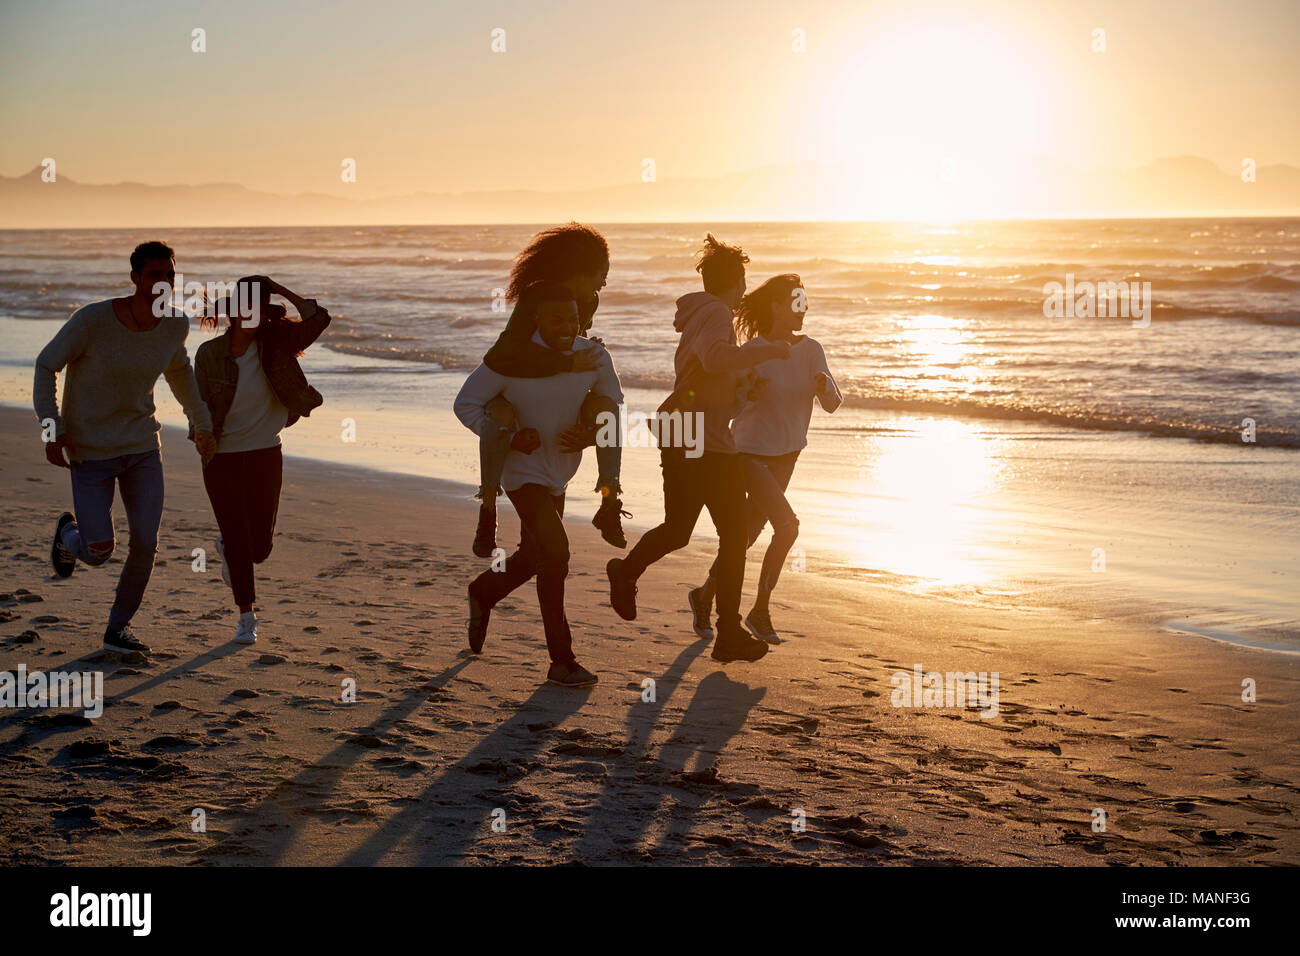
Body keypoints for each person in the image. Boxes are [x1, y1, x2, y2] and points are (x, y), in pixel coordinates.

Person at [605, 235, 791, 663]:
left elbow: (709, 376)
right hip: (698, 435)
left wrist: (744, 390)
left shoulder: (701, 313)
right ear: (737, 281)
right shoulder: (715, 312)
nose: (746, 291)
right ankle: (727, 634)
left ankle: (627, 571)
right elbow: (714, 358)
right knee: (732, 536)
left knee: (679, 529)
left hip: (686, 427)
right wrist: (765, 351)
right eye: (744, 282)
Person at [36, 240, 215, 655]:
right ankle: (68, 534)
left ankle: (118, 628)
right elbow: (47, 364)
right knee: (99, 552)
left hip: (141, 447)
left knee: (146, 542)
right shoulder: (92, 321)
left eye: (170, 275)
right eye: (155, 275)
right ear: (135, 277)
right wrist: (51, 429)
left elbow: (180, 373)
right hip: (91, 449)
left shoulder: (174, 325)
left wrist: (201, 423)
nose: (164, 283)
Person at [454, 280, 623, 688]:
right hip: (520, 470)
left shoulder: (592, 355)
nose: (567, 325)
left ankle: (484, 592)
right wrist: (509, 439)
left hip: (560, 469)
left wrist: (590, 432)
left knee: (533, 555)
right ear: (535, 318)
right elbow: (465, 404)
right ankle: (561, 661)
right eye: (556, 318)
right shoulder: (512, 358)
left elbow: (611, 406)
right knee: (556, 553)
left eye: (573, 317)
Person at [688, 274, 841, 644]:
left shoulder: (811, 350)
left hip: (788, 455)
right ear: (775, 307)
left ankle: (704, 595)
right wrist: (747, 393)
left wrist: (824, 386)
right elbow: (731, 406)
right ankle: (759, 611)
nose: (803, 310)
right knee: (787, 526)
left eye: (805, 302)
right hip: (749, 454)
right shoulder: (752, 351)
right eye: (795, 302)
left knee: (745, 535)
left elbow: (833, 404)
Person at [471, 223, 629, 558]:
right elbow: (503, 355)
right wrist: (568, 365)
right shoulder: (536, 297)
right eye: (602, 273)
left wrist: (587, 351)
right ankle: (487, 509)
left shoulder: (590, 301)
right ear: (581, 271)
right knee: (498, 416)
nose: (604, 282)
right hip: (519, 387)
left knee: (608, 411)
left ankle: (609, 501)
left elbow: (571, 343)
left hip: (557, 398)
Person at [194, 276, 331, 645]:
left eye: (262, 310)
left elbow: (319, 317)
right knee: (240, 543)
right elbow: (198, 406)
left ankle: (226, 548)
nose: (255, 317)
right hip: (220, 458)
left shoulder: (276, 347)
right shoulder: (209, 354)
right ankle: (246, 617)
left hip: (264, 455)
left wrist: (278, 288)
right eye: (249, 308)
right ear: (235, 312)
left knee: (260, 550)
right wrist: (201, 434)